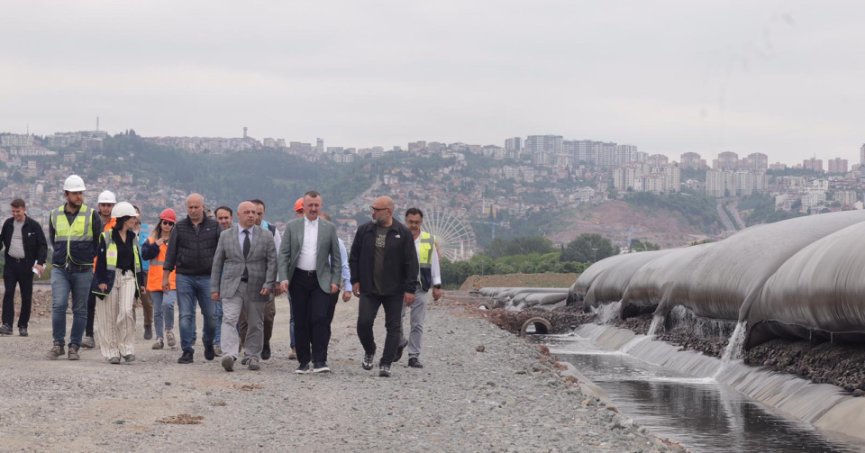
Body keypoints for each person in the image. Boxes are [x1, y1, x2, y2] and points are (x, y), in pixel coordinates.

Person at [349, 196, 418, 377]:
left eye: (376, 209)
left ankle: (386, 363)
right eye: (372, 209)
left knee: (393, 327)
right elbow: (354, 256)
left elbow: (411, 263)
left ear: (388, 211)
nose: (372, 212)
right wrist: (355, 279)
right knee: (363, 323)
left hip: (394, 290)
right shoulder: (364, 231)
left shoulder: (402, 233)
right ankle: (370, 350)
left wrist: (410, 289)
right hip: (369, 288)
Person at [278, 191, 341, 374]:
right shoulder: (292, 227)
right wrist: (283, 277)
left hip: (321, 280)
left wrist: (335, 280)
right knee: (300, 320)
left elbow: (335, 257)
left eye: (316, 205)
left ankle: (320, 360)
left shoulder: (329, 228)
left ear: (320, 206)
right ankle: (303, 361)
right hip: (298, 279)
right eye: (310, 205)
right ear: (303, 207)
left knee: (320, 318)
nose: (313, 208)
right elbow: (284, 254)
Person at [211, 201, 276, 372]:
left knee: (256, 322)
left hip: (257, 285)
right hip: (232, 284)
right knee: (229, 319)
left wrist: (269, 283)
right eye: (247, 212)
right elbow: (217, 263)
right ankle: (229, 354)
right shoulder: (226, 236)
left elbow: (272, 261)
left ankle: (252, 355)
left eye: (254, 212)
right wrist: (214, 288)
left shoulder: (266, 235)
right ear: (238, 215)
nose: (251, 215)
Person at [47, 174, 103, 360]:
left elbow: (97, 242)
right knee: (59, 305)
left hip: (83, 269)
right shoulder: (55, 214)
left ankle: (74, 346)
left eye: (81, 193)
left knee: (80, 309)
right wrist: (63, 255)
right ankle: (58, 344)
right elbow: (54, 239)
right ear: (66, 194)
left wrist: (86, 256)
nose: (79, 196)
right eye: (75, 193)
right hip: (61, 267)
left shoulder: (91, 214)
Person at [163, 193, 220, 364]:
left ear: (203, 207)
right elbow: (171, 253)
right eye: (190, 207)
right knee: (185, 315)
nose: (193, 210)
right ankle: (187, 350)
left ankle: (208, 343)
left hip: (208, 277)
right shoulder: (179, 227)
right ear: (186, 208)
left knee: (211, 316)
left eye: (196, 207)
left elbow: (221, 253)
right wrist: (165, 277)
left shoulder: (215, 226)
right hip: (184, 276)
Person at [92, 202, 145, 364]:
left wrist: (141, 282)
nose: (135, 220)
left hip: (128, 276)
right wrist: (100, 280)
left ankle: (127, 348)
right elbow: (100, 260)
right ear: (124, 219)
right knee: (109, 316)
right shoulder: (107, 237)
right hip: (109, 278)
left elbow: (137, 261)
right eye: (132, 218)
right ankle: (112, 351)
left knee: (126, 311)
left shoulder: (132, 238)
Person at [395, 207, 443, 368]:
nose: (414, 225)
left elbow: (434, 263)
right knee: (395, 319)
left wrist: (437, 285)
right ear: (405, 221)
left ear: (421, 222)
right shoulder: (397, 238)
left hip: (420, 285)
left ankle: (413, 355)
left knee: (417, 323)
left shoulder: (429, 240)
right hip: (400, 286)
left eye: (417, 222)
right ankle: (400, 342)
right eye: (411, 222)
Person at [0, 198, 48, 337]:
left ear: (24, 210)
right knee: (8, 293)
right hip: (10, 264)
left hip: (27, 265)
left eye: (18, 211)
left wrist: (40, 262)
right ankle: (7, 324)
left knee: (26, 296)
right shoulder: (8, 224)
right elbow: (1, 243)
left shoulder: (33, 226)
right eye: (13, 211)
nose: (15, 214)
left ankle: (23, 325)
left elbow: (42, 245)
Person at [82, 190, 116, 349]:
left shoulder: (116, 224)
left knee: (108, 304)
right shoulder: (91, 221)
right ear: (99, 206)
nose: (106, 208)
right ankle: (89, 334)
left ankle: (109, 335)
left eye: (109, 205)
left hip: (109, 269)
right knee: (89, 302)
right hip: (91, 267)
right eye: (103, 205)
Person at [141, 208, 178, 350]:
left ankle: (169, 330)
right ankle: (159, 338)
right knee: (157, 311)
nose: (167, 225)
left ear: (173, 225)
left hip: (171, 280)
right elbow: (145, 255)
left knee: (167, 304)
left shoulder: (176, 241)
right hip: (156, 280)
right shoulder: (151, 239)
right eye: (165, 222)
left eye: (170, 223)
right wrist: (156, 246)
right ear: (160, 223)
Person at [212, 205, 235, 356]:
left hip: (234, 278)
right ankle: (217, 342)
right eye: (220, 218)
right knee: (217, 312)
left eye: (226, 218)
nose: (223, 221)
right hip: (217, 277)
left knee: (233, 314)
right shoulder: (211, 234)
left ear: (231, 218)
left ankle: (233, 342)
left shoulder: (236, 234)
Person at [133, 205, 154, 340]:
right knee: (129, 301)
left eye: (136, 212)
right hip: (130, 269)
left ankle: (148, 324)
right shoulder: (124, 230)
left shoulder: (147, 230)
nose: (134, 216)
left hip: (145, 269)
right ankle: (130, 327)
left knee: (146, 300)